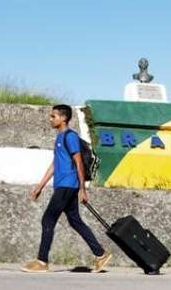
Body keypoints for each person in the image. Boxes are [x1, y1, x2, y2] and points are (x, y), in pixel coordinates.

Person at [21, 104, 111, 273]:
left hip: (67, 186)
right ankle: (101, 254)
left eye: (53, 116)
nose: (50, 119)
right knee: (75, 221)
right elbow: (55, 164)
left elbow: (79, 163)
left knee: (48, 220)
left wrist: (83, 189)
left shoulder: (70, 137)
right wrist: (40, 186)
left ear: (63, 118)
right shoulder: (59, 138)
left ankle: (42, 261)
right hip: (63, 185)